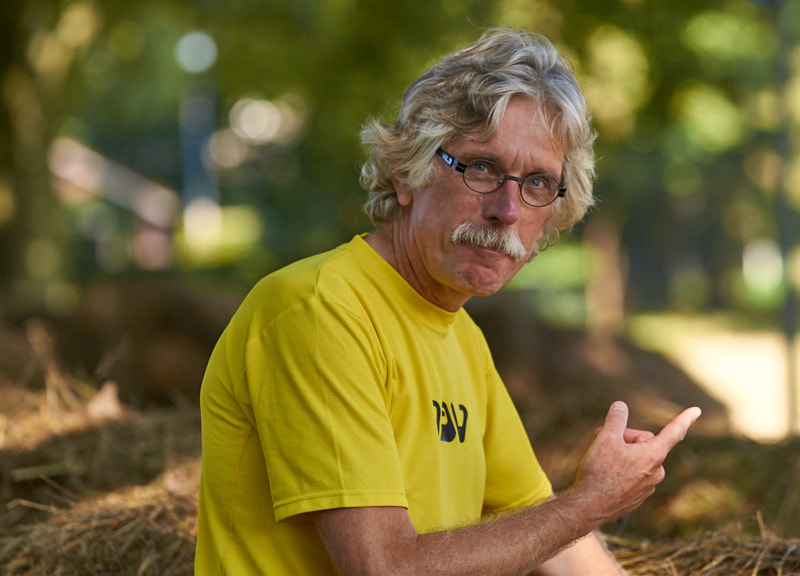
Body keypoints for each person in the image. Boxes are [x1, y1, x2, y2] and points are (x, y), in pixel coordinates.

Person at [195, 27, 701, 575]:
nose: (507, 210)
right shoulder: (317, 311)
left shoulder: (461, 337)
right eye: (482, 168)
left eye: (536, 183)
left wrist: (577, 516)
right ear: (406, 173)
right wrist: (587, 504)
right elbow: (383, 568)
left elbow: (552, 539)